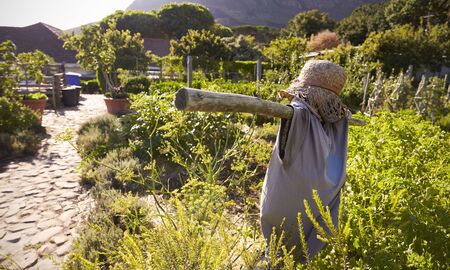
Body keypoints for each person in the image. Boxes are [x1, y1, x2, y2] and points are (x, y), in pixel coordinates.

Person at [260, 60, 350, 263]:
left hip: (285, 206)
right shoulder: (337, 127)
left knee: (278, 249)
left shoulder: (300, 113)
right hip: (323, 197)